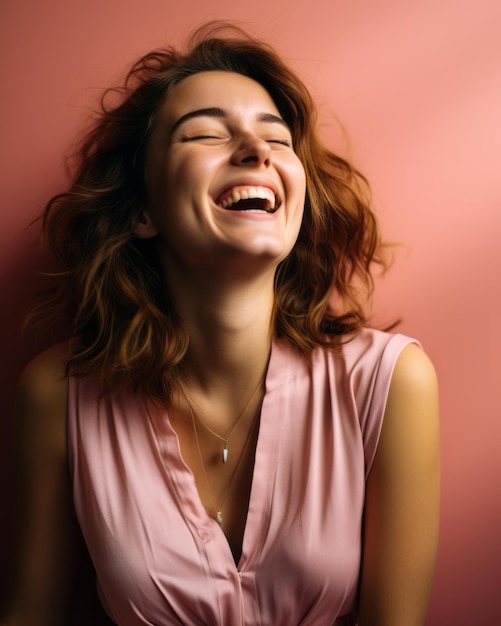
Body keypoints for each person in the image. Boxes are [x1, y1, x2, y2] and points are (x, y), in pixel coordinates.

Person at [5, 21, 440, 626]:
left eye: (277, 140)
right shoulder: (59, 397)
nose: (257, 151)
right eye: (205, 133)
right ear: (143, 211)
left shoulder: (391, 385)